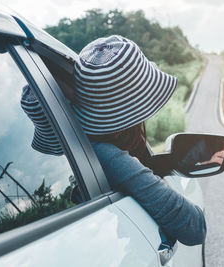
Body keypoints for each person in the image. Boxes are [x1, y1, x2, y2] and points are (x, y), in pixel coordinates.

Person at [71, 35, 206, 246]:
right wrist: (160, 181)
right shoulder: (108, 157)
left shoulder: (79, 147)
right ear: (131, 118)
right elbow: (195, 228)